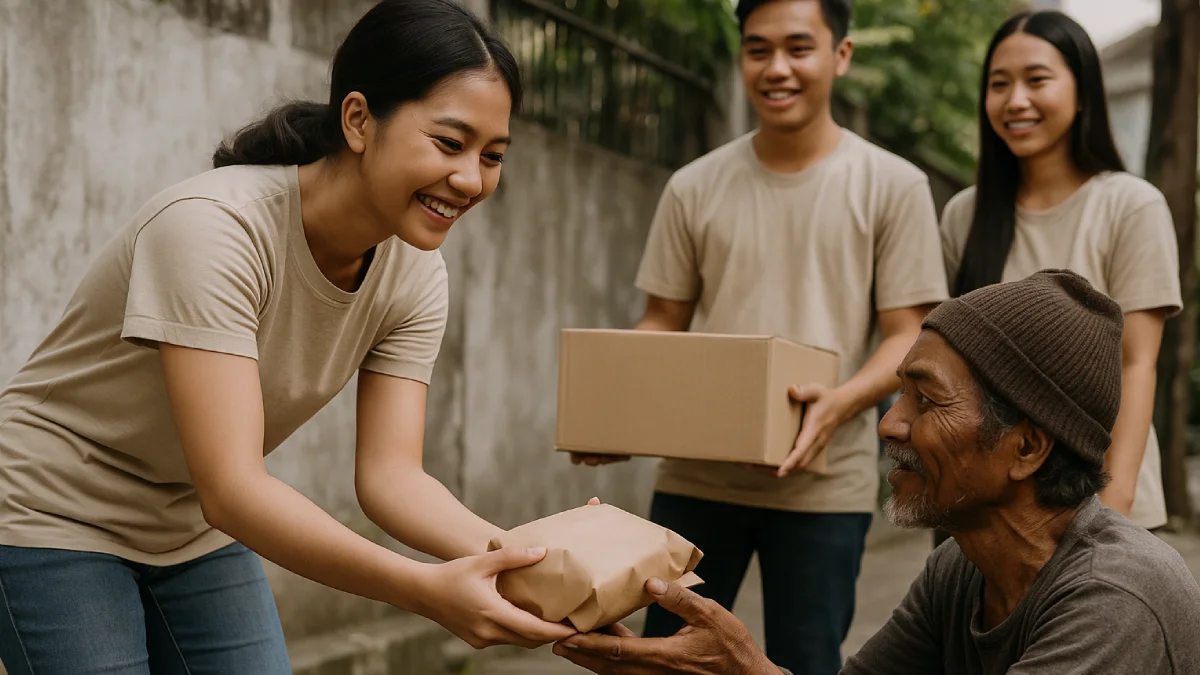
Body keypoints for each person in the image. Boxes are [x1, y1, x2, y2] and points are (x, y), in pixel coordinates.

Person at [0, 1, 582, 672]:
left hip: (188, 525)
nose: (471, 179)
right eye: (450, 143)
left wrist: (527, 558)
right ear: (359, 120)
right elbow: (234, 488)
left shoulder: (416, 272)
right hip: (53, 511)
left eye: (493, 155)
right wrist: (425, 590)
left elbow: (392, 476)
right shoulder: (214, 228)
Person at [552, 270, 1200, 675]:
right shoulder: (963, 564)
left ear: (1027, 447)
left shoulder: (1117, 598)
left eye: (927, 398)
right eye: (901, 396)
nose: (890, 424)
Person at [570, 0, 949, 671]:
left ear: (842, 55)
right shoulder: (693, 186)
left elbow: (907, 335)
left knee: (803, 661)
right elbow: (663, 319)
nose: (777, 68)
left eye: (799, 47)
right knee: (664, 659)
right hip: (694, 480)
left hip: (824, 487)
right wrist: (615, 410)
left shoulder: (893, 184)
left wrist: (841, 402)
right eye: (757, 49)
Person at [939, 10, 1181, 540]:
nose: (1016, 100)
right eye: (999, 84)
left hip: (1102, 507)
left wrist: (1109, 511)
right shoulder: (965, 214)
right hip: (988, 510)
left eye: (1037, 80)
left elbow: (1137, 365)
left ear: (1082, 93)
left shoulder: (1130, 205)